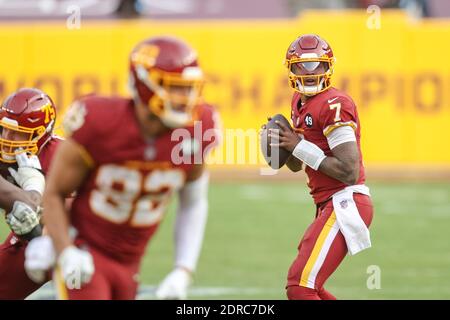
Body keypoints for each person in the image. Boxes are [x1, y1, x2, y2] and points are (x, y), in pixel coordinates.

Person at [25, 36, 220, 300]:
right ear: (143, 86)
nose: (185, 99)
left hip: (130, 264)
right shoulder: (100, 122)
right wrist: (62, 247)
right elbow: (56, 192)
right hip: (86, 251)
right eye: (174, 88)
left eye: (189, 89)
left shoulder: (197, 128)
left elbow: (193, 202)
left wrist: (183, 270)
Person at [267, 34, 374, 299]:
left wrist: (297, 144)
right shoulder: (298, 103)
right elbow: (295, 165)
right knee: (310, 285)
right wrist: (284, 144)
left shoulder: (335, 104)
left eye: (318, 65)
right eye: (302, 66)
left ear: (329, 67)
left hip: (345, 201)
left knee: (300, 286)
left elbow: (349, 172)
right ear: (290, 70)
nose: (311, 73)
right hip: (328, 204)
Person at [0, 88, 62, 299]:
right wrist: (32, 191)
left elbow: (76, 225)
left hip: (73, 244)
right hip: (27, 238)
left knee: (81, 279)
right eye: (4, 129)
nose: (7, 138)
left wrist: (36, 229)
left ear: (40, 134)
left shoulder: (62, 158)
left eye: (17, 132)